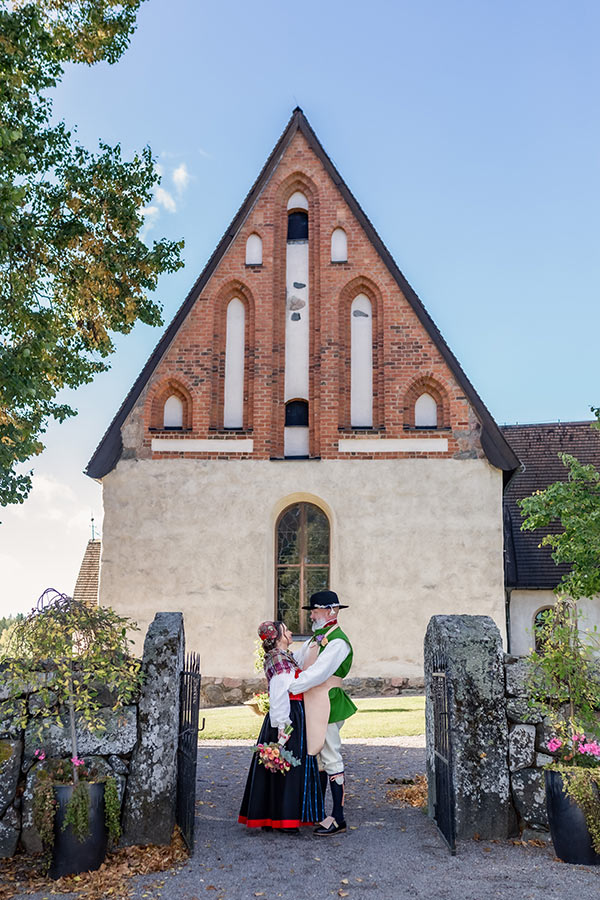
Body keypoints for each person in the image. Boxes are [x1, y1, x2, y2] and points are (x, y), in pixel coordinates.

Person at [238, 620, 324, 831]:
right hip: (287, 715)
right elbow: (278, 695)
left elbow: (304, 656)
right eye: (286, 630)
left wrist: (319, 638)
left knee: (280, 768)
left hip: (291, 713)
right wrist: (283, 727)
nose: (291, 632)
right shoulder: (279, 659)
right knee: (288, 765)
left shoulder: (285, 657)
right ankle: (285, 820)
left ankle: (273, 817)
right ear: (278, 637)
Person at [291, 590, 357, 836]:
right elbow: (297, 661)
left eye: (316, 610)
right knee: (316, 757)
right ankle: (316, 812)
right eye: (312, 611)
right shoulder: (314, 640)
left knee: (330, 755)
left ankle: (338, 818)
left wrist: (290, 686)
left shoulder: (338, 642)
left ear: (332, 610)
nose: (312, 616)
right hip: (312, 701)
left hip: (328, 702)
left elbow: (318, 673)